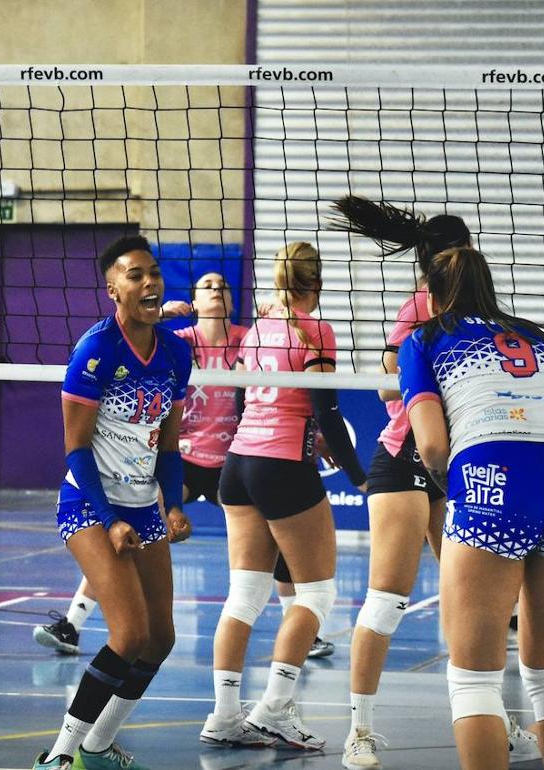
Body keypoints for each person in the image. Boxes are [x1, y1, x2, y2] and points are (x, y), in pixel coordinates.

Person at [331, 196, 538, 768]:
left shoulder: (484, 312)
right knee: (387, 599)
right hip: (406, 458)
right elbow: (384, 387)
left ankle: (497, 719)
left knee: (477, 605)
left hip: (461, 463)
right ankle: (361, 732)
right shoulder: (418, 309)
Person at [33, 273, 335, 659]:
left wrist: (280, 313)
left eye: (223, 286)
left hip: (234, 460)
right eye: (207, 286)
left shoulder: (249, 338)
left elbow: (282, 360)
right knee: (135, 525)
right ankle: (72, 624)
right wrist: (160, 315)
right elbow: (136, 332)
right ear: (194, 298)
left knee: (275, 535)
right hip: (186, 460)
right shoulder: (182, 342)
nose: (216, 291)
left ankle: (304, 632)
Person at [400, 246, 544, 770]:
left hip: (496, 470)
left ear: (432, 293)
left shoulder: (424, 338)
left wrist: (452, 486)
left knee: (473, 679)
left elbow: (433, 446)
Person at [32, 235, 193, 770]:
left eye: (153, 273)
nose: (149, 282)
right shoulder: (95, 350)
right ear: (113, 290)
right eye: (135, 275)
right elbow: (75, 449)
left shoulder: (175, 352)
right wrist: (108, 520)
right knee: (129, 635)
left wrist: (172, 504)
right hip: (89, 503)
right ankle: (58, 756)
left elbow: (168, 443)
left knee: (161, 638)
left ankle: (97, 748)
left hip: (145, 505)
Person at [201, 242, 366, 751]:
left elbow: (240, 396)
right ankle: (273, 708)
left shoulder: (255, 330)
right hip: (282, 468)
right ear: (314, 284)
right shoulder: (314, 331)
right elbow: (327, 410)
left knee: (244, 596)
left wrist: (295, 428)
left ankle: (225, 717)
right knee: (315, 595)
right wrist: (361, 478)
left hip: (239, 465)